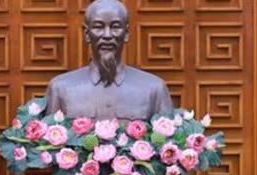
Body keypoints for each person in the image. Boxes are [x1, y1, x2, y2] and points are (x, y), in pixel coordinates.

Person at [44, 0, 173, 120]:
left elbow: (169, 143)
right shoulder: (60, 88)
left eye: (115, 27)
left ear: (126, 33)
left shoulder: (154, 89)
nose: (107, 35)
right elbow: (46, 141)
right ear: (87, 34)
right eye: (98, 27)